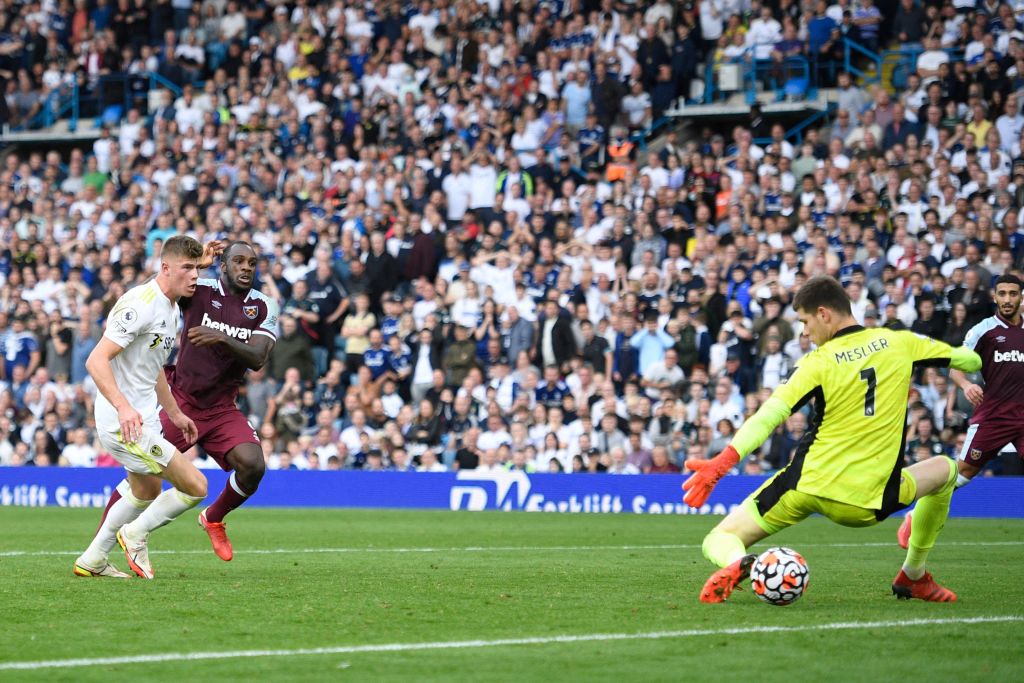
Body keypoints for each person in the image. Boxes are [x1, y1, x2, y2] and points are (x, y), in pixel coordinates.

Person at [682, 276, 981, 603]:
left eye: (805, 322)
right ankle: (913, 575)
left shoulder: (817, 362)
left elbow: (769, 415)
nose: (805, 333)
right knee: (947, 470)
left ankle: (744, 564)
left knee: (719, 537)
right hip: (871, 500)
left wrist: (723, 462)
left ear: (824, 314)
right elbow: (969, 361)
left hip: (805, 488)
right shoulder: (900, 342)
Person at [73, 236, 210, 580]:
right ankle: (134, 534)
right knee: (196, 486)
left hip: (144, 417)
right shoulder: (141, 304)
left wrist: (176, 413)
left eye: (197, 268)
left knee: (146, 490)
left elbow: (155, 371)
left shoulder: (172, 308)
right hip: (124, 421)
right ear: (165, 268)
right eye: (188, 268)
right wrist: (123, 407)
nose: (195, 276)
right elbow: (96, 360)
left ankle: (93, 559)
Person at [159, 241, 279, 562]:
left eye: (251, 263)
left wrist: (222, 337)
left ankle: (213, 517)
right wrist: (196, 263)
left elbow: (257, 357)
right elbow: (157, 289)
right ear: (222, 265)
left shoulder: (263, 306)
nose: (246, 268)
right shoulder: (198, 290)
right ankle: (109, 543)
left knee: (253, 466)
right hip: (181, 401)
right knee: (144, 469)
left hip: (222, 408)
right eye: (238, 261)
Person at [898, 274, 1024, 547]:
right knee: (961, 473)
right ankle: (914, 514)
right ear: (994, 297)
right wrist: (966, 384)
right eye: (1002, 294)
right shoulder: (985, 330)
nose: (1007, 299)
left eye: (1013, 294)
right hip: (994, 417)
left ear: (1021, 297)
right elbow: (954, 366)